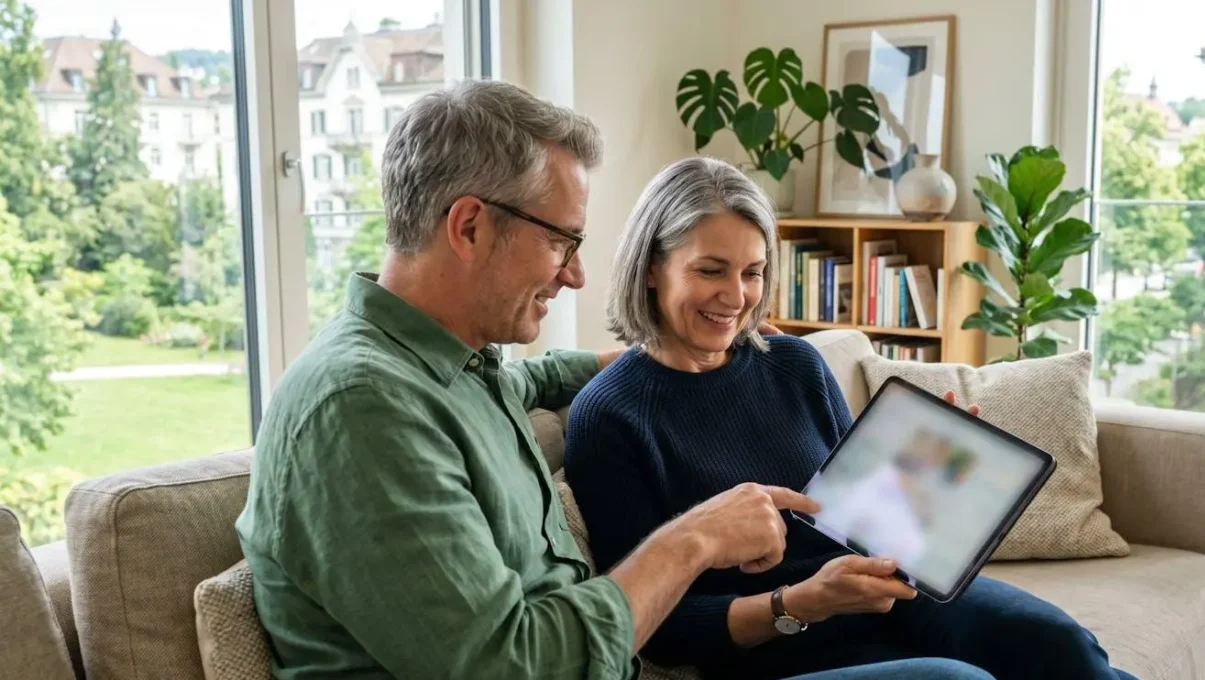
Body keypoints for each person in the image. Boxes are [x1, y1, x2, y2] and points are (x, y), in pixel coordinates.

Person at [234, 80, 992, 680]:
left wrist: (650, 353)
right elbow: (508, 665)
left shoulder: (459, 364)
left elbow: (537, 378)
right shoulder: (362, 409)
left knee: (1023, 636)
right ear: (468, 227)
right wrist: (694, 540)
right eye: (561, 240)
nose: (575, 274)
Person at [563, 156, 1140, 680]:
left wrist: (925, 464)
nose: (736, 297)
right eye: (711, 270)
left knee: (1058, 642)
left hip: (884, 597)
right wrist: (797, 602)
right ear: (652, 269)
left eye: (753, 272)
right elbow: (655, 629)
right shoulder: (610, 416)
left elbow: (861, 516)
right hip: (771, 647)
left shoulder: (794, 364)